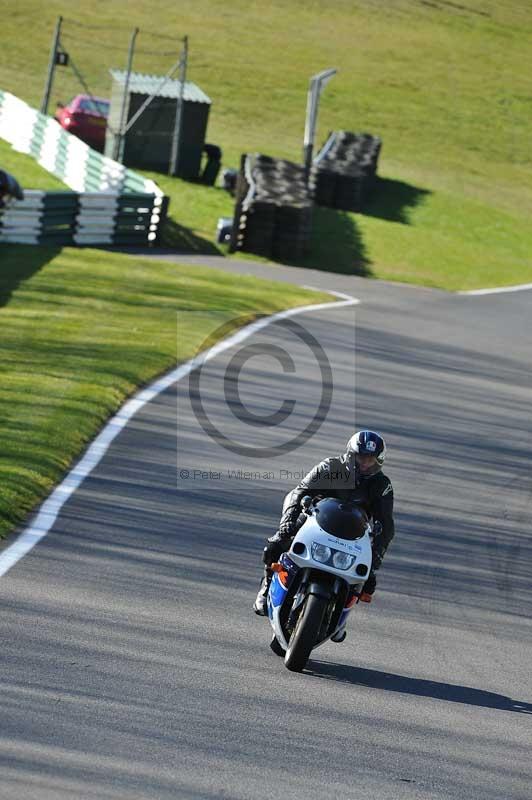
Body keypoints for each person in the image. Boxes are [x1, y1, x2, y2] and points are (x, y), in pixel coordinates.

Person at [253, 430, 395, 621]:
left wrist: (376, 556)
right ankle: (267, 585)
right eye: (361, 457)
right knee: (277, 543)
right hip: (316, 520)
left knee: (367, 579)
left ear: (378, 461)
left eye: (370, 460)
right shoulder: (330, 467)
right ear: (351, 454)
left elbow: (386, 524)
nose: (364, 464)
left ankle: (341, 614)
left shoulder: (382, 485)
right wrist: (287, 523)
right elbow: (299, 493)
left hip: (354, 534)